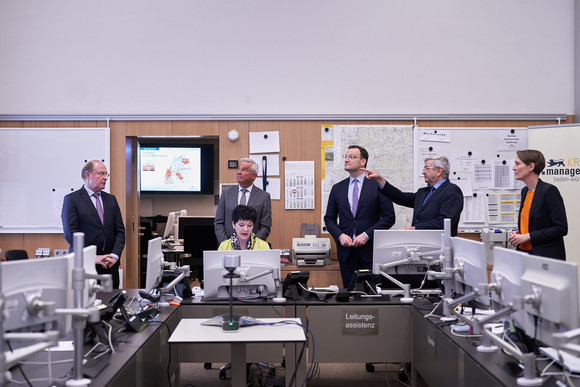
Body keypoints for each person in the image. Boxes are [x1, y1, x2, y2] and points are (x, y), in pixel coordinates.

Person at [324, 145, 396, 288]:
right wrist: (340, 236)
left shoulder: (377, 186)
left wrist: (366, 235)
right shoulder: (337, 188)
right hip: (347, 253)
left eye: (351, 157)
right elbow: (329, 219)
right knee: (350, 296)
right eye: (345, 156)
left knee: (373, 297)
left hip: (370, 252)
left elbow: (389, 217)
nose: (346, 160)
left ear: (363, 162)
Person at [362, 155, 463, 236]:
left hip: (440, 247)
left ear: (439, 171)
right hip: (420, 245)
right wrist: (380, 179)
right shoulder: (423, 192)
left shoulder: (452, 191)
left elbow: (445, 222)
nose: (423, 172)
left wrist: (415, 228)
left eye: (427, 168)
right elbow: (401, 198)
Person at [62, 160, 126, 288]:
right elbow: (71, 234)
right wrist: (93, 257)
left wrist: (114, 256)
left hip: (109, 266)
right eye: (101, 174)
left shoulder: (111, 199)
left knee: (111, 305)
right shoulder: (72, 199)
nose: (105, 178)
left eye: (106, 174)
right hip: (85, 265)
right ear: (87, 175)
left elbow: (120, 231)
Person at [508, 149, 567, 260]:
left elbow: (561, 228)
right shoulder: (525, 191)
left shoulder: (549, 191)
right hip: (524, 254)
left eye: (517, 164)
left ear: (531, 167)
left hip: (544, 258)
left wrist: (528, 236)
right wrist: (520, 233)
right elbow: (534, 223)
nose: (513, 168)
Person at [214, 158, 272, 244]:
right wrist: (226, 244)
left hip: (253, 250)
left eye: (244, 170)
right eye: (238, 168)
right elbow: (218, 223)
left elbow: (265, 226)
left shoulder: (264, 197)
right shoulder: (226, 194)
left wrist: (253, 244)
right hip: (228, 248)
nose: (239, 172)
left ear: (254, 176)